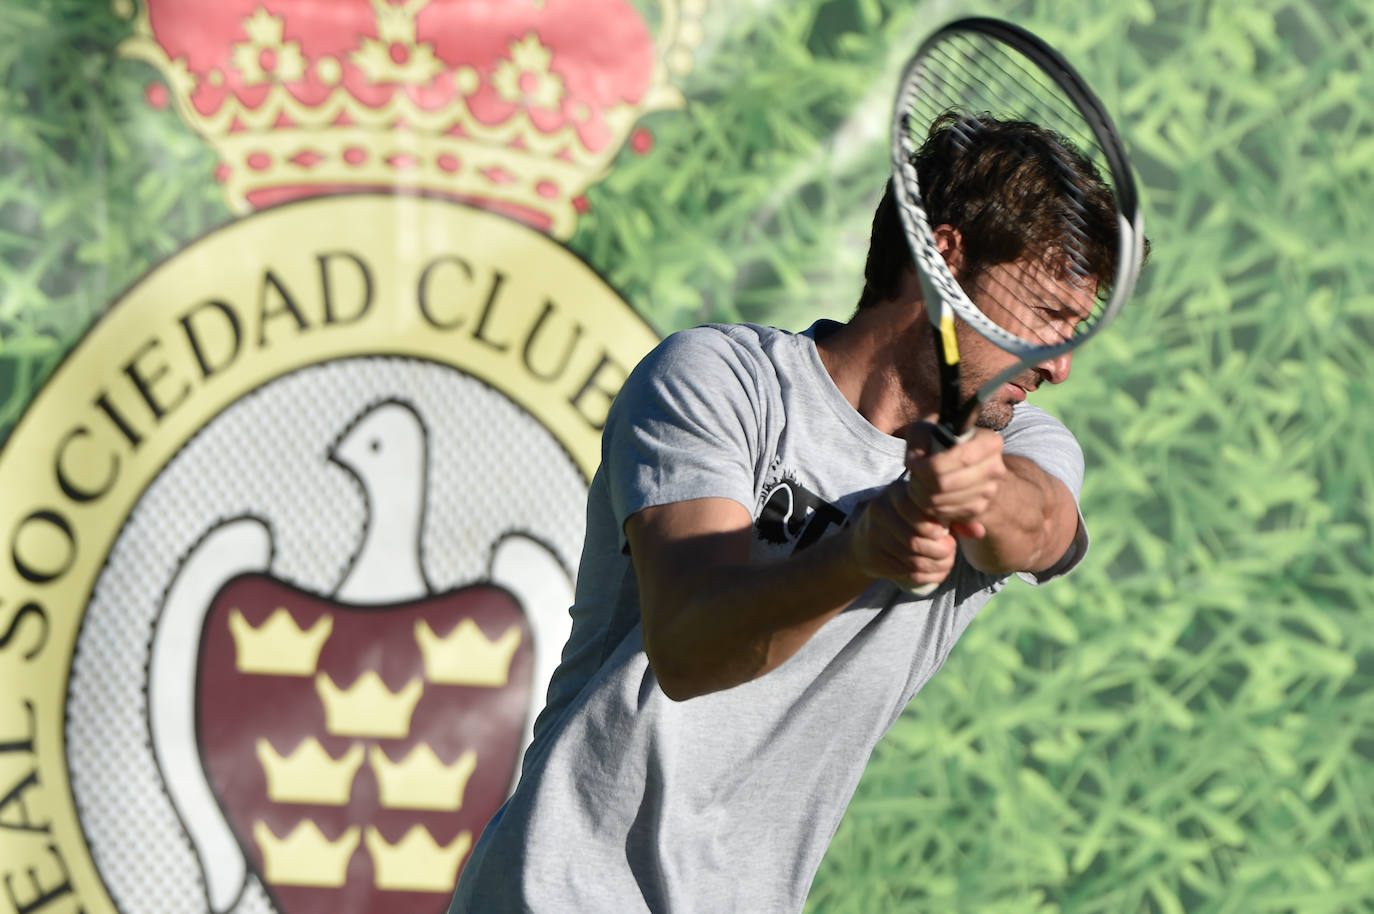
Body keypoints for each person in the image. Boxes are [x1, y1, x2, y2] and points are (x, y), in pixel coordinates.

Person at [448, 112, 1131, 913]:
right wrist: (860, 552)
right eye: (1049, 314)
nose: (1061, 363)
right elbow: (690, 649)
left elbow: (1040, 525)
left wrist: (975, 490)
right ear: (944, 259)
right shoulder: (716, 381)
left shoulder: (1022, 443)